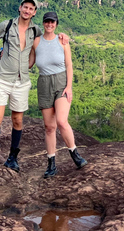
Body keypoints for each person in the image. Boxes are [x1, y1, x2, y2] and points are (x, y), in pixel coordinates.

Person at [0, 0, 68, 172]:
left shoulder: (35, 30)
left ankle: (13, 158)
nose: (27, 11)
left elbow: (48, 37)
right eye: (25, 7)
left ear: (34, 12)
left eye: (31, 9)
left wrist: (64, 36)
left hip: (21, 80)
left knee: (17, 120)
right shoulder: (6, 25)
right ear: (20, 8)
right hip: (3, 78)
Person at [29, 11, 87, 178]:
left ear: (56, 23)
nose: (49, 24)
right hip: (44, 83)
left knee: (61, 121)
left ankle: (75, 153)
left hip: (61, 82)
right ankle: (51, 163)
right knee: (49, 127)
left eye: (52, 22)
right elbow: (30, 63)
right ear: (43, 23)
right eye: (47, 21)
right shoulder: (36, 42)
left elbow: (69, 65)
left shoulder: (62, 41)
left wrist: (69, 87)